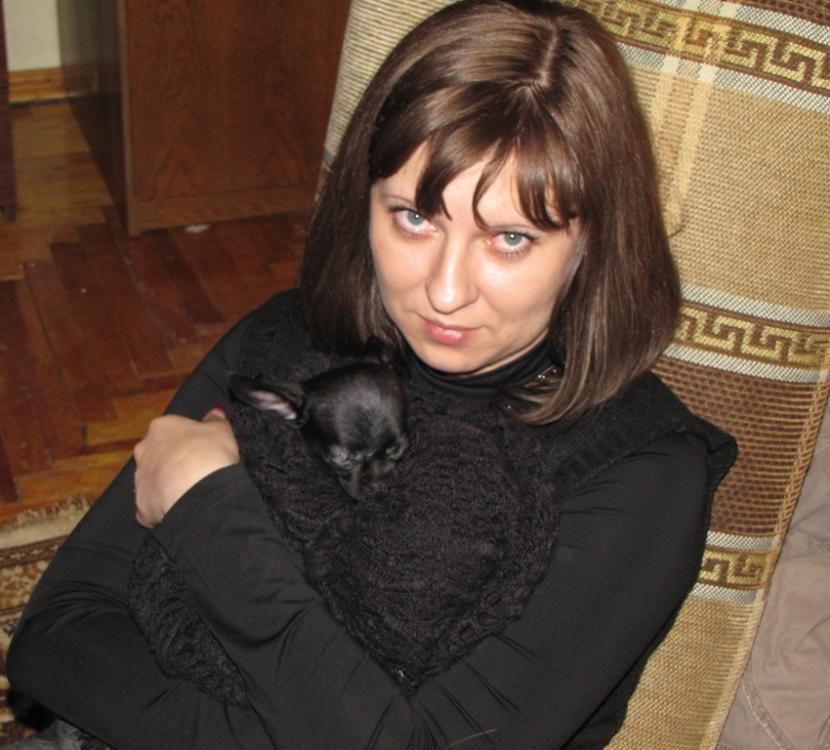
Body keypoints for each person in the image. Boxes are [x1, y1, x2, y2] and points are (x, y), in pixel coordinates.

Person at [7, 1, 737, 748]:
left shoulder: (639, 477)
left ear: (593, 242)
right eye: (414, 218)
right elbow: (53, 639)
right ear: (364, 202)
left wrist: (208, 509)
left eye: (510, 238)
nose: (445, 291)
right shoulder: (289, 342)